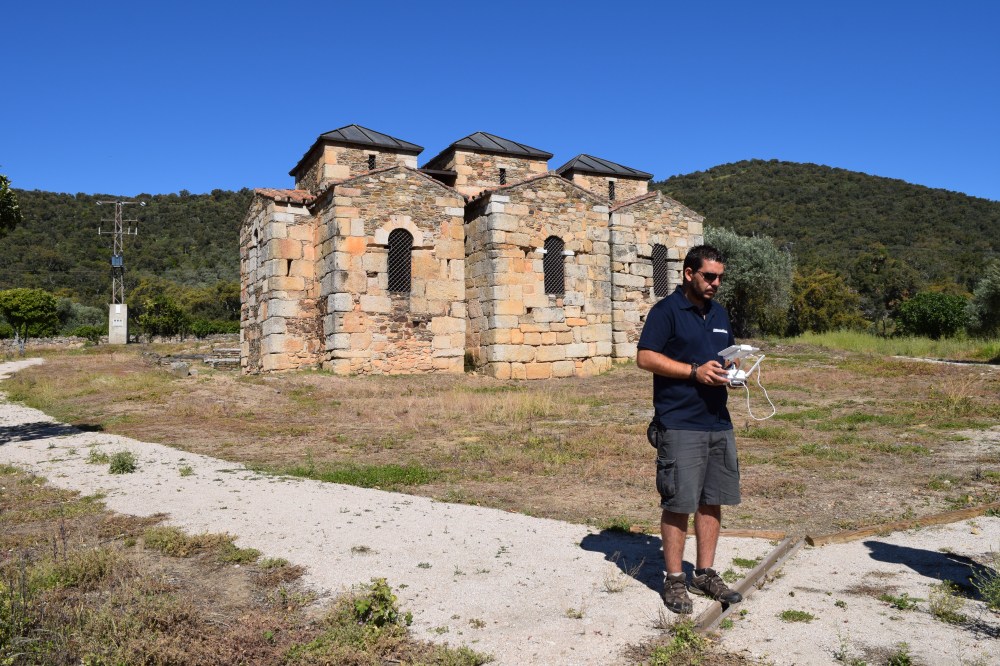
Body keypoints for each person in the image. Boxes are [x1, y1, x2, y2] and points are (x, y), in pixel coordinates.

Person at [636, 244, 744, 614]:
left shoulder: (720, 314)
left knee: (711, 499)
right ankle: (674, 580)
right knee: (679, 502)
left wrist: (733, 374)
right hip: (679, 422)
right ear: (688, 274)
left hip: (718, 421)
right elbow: (645, 357)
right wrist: (692, 371)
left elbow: (726, 356)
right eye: (709, 276)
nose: (715, 283)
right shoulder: (666, 311)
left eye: (720, 278)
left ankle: (705, 573)